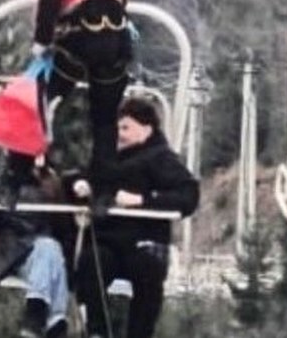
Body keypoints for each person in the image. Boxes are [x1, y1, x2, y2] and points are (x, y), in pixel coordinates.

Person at [0, 0, 133, 207]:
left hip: (80, 39)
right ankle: (104, 192)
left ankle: (13, 181)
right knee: (105, 120)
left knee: (32, 102)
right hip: (117, 40)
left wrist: (41, 41)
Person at [72, 97, 199, 338]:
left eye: (126, 128)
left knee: (148, 272)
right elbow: (82, 175)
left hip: (144, 242)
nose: (119, 134)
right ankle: (97, 330)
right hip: (108, 241)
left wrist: (143, 200)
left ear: (146, 129)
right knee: (92, 262)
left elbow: (188, 196)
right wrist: (80, 185)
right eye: (117, 128)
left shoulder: (161, 160)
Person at [0, 165, 73, 338]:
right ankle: (49, 318)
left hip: (44, 258)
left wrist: (55, 191)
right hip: (15, 252)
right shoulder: (9, 181)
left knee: (52, 251)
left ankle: (47, 319)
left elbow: (62, 226)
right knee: (49, 248)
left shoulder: (52, 181)